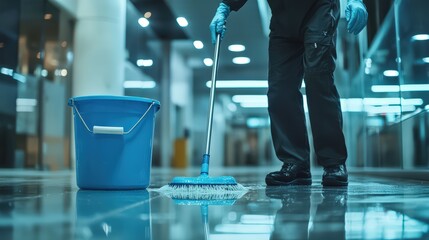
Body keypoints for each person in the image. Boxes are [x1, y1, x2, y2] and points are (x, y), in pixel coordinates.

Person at [209, 0, 368, 186]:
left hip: (319, 9)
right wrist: (225, 7)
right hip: (282, 18)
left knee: (318, 78)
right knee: (279, 89)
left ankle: (334, 163)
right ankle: (295, 163)